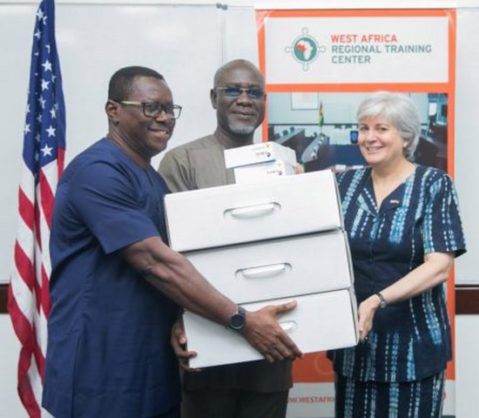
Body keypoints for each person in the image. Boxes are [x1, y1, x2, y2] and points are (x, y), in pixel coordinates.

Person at [42, 66, 301, 418]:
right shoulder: (97, 172)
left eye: (169, 110)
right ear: (113, 111)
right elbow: (156, 262)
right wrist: (242, 320)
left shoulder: (150, 178)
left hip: (152, 364)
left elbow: (194, 256)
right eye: (151, 108)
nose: (164, 118)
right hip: (101, 367)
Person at [158, 59, 293, 418]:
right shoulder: (181, 161)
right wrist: (178, 319)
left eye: (254, 92)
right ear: (214, 97)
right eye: (233, 90)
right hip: (207, 334)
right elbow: (171, 255)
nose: (245, 100)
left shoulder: (284, 165)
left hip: (271, 344)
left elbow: (296, 248)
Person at [327, 92, 466, 418]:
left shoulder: (434, 185)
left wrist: (376, 300)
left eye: (381, 129)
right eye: (363, 128)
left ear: (406, 136)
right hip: (355, 348)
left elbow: (438, 266)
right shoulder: (343, 184)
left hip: (413, 348)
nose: (369, 138)